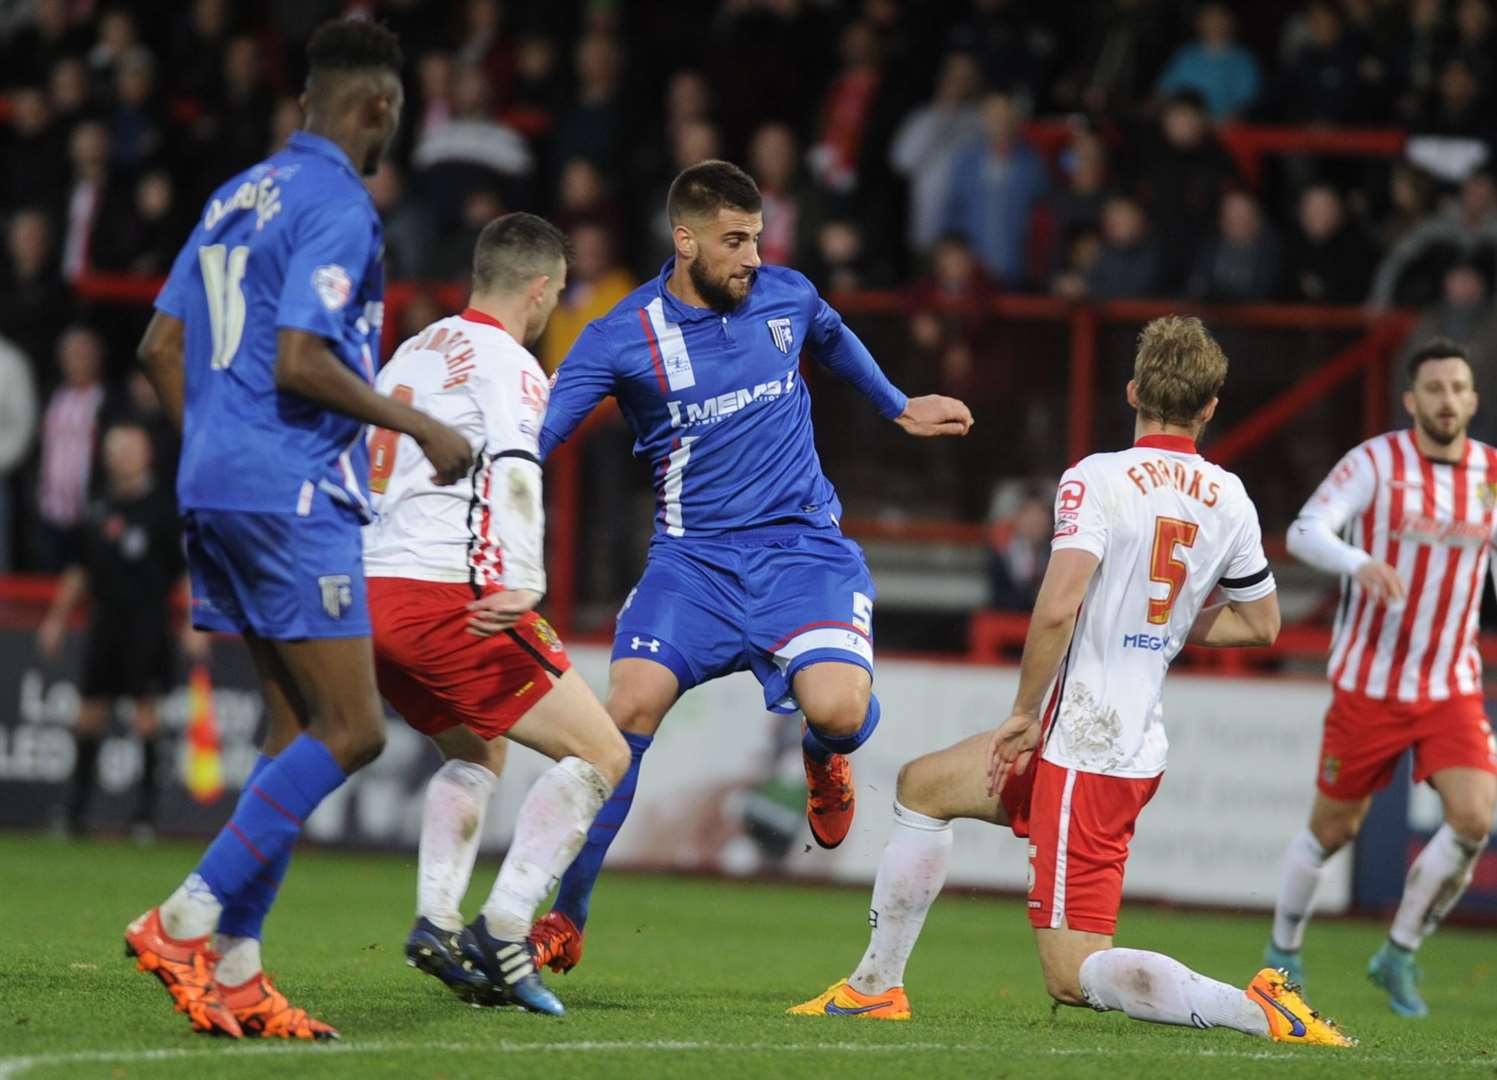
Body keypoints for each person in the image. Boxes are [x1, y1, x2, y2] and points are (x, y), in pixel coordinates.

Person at [790, 316, 1353, 1050]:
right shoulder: (1230, 497)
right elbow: (1260, 624)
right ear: (1210, 407)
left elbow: (1056, 606)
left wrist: (1022, 712)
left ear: (1131, 391)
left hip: (1083, 745)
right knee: (923, 787)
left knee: (1071, 973)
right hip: (1107, 732)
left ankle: (1255, 1009)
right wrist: (1161, 625)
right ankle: (872, 989)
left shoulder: (1097, 477)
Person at [528, 160, 972, 973]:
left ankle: (822, 754)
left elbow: (831, 336)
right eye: (734, 242)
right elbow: (539, 439)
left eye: (757, 239)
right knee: (622, 714)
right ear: (684, 239)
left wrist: (897, 405)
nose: (751, 258)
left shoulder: (787, 297)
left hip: (803, 551)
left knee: (839, 707)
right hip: (690, 564)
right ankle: (566, 913)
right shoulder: (620, 335)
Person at [124, 19, 473, 1041]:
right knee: (354, 730)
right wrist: (421, 424)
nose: (392, 132)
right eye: (395, 114)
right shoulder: (339, 206)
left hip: (215, 485)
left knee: (289, 733)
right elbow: (300, 361)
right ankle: (185, 919)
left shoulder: (236, 195)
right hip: (293, 493)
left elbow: (158, 345)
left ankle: (237, 973)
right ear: (374, 107)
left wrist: (215, 450)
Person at [362, 213, 629, 1016]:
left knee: (477, 749)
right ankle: (505, 928)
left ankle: (439, 923)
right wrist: (519, 572)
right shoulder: (508, 360)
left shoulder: (412, 351)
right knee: (601, 754)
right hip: (448, 594)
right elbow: (515, 459)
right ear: (542, 290)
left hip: (373, 589)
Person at [1265, 337, 1497, 1018]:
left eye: (1457, 388)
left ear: (1473, 399)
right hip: (1367, 683)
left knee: (1474, 817)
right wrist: (1357, 562)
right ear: (1410, 400)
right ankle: (1281, 953)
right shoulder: (1375, 461)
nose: (1446, 400)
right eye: (1433, 389)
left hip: (1449, 684)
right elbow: (1306, 531)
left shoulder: (1490, 473)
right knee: (1331, 831)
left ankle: (1396, 953)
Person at [37, 419, 195, 837]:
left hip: (147, 623)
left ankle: (144, 816)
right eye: (114, 448)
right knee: (89, 715)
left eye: (128, 448)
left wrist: (196, 624)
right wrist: (55, 619)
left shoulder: (163, 508)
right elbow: (78, 570)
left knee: (146, 716)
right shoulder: (97, 506)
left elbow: (184, 573)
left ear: (145, 453)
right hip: (104, 621)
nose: (119, 456)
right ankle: (73, 811)